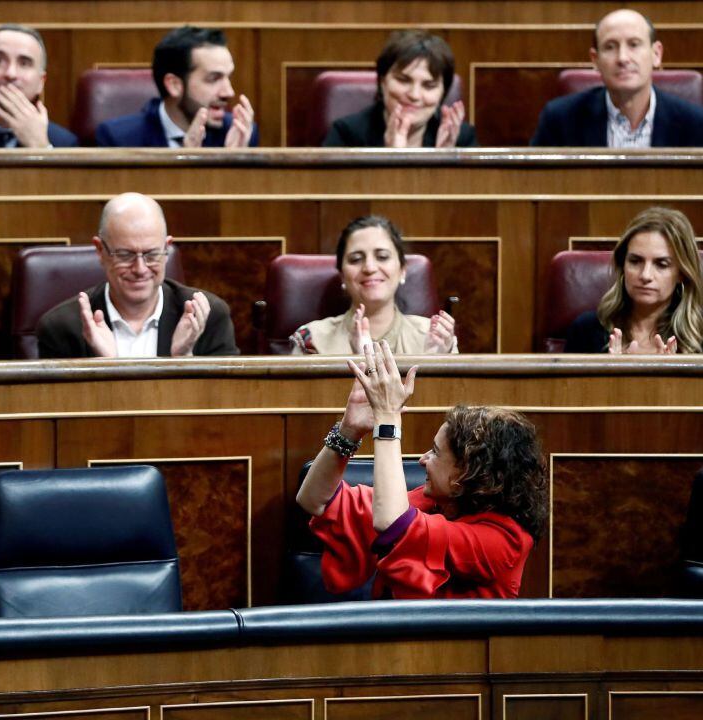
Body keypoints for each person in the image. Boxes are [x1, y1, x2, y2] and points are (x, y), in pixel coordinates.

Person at [296, 341, 548, 599]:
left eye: (436, 452)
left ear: (469, 474)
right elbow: (314, 499)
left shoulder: (504, 541)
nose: (422, 460)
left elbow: (392, 525)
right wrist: (349, 431)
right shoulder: (428, 501)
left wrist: (388, 420)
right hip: (391, 634)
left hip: (449, 641)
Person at [36, 193, 239, 358]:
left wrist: (183, 359)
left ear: (167, 248)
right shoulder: (62, 328)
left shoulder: (208, 317)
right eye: (125, 255)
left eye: (151, 254)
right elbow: (65, 406)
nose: (140, 269)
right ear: (100, 251)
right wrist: (106, 367)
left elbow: (223, 403)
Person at [531, 9, 703, 147]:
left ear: (656, 54)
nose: (622, 58)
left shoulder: (695, 123)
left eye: (634, 44)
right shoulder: (560, 119)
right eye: (610, 47)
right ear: (595, 60)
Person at [290, 215, 458, 355]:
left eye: (382, 257)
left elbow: (457, 394)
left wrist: (434, 362)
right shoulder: (313, 340)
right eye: (356, 259)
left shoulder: (435, 336)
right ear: (342, 275)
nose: (369, 268)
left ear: (402, 271)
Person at [565, 207, 702, 354]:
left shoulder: (699, 335)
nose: (645, 275)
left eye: (661, 264)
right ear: (623, 265)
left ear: (681, 273)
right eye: (635, 261)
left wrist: (674, 376)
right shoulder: (586, 331)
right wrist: (610, 375)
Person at [95, 26, 258, 148]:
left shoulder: (239, 134)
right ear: (174, 85)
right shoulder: (119, 139)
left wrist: (233, 160)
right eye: (213, 79)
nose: (228, 92)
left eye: (228, 77)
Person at [322, 30, 475, 148]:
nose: (414, 95)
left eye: (429, 86)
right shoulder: (347, 134)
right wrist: (391, 160)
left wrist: (446, 163)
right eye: (403, 80)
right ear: (382, 82)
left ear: (443, 92)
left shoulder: (461, 138)